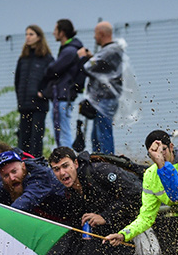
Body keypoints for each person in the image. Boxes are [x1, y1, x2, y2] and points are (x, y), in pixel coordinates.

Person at [46, 146, 142, 255]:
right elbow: (78, 224)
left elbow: (137, 194)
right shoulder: (71, 192)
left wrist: (105, 216)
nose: (62, 173)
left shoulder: (99, 171)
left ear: (75, 164)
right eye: (56, 169)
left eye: (65, 166)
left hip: (148, 218)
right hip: (120, 235)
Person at [77, 22, 126, 154]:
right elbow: (100, 66)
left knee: (103, 134)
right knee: (96, 135)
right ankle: (99, 160)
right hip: (102, 99)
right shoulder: (110, 50)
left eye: (95, 34)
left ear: (102, 34)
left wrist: (82, 57)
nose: (94, 37)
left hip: (106, 99)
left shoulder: (110, 50)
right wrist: (91, 57)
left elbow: (88, 68)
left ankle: (108, 161)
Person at [38, 19, 85, 148]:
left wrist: (48, 69)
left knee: (63, 131)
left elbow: (52, 69)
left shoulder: (69, 51)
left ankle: (66, 155)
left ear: (62, 32)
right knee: (62, 129)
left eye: (55, 30)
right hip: (63, 96)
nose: (53, 33)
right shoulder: (70, 49)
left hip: (63, 96)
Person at [15, 25, 54, 157]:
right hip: (24, 106)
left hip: (39, 106)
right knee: (23, 139)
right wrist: (20, 100)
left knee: (36, 139)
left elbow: (53, 80)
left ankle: (36, 165)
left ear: (39, 37)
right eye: (26, 34)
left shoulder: (47, 58)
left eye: (31, 34)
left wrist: (44, 93)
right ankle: (23, 164)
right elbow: (17, 81)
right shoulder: (23, 59)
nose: (28, 37)